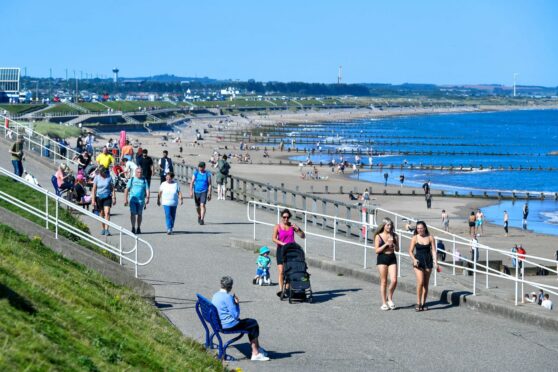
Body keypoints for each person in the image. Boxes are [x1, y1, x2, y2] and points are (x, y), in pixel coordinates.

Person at [211, 276, 270, 361]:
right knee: (253, 323)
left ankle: (257, 347)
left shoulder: (215, 295)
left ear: (221, 285)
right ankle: (255, 353)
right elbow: (235, 315)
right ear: (230, 287)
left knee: (249, 322)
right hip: (227, 325)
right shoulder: (228, 297)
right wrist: (237, 304)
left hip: (217, 323)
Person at [272, 209, 305, 297]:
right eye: (284, 217)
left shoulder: (292, 226)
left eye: (287, 217)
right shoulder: (277, 226)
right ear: (282, 217)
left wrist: (298, 229)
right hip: (281, 250)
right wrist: (282, 243)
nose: (286, 219)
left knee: (290, 271)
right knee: (281, 271)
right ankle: (281, 290)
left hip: (291, 250)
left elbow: (303, 236)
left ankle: (287, 289)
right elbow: (273, 238)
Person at [408, 221, 438, 311]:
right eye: (418, 228)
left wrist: (435, 262)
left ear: (425, 228)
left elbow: (433, 251)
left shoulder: (430, 238)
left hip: (428, 261)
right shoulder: (415, 238)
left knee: (426, 284)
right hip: (418, 262)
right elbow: (410, 251)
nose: (419, 230)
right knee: (420, 282)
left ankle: (423, 303)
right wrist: (414, 259)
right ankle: (418, 303)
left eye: (421, 228)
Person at [374, 218, 399, 310]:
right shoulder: (378, 236)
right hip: (382, 258)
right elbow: (376, 250)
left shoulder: (395, 236)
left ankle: (390, 298)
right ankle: (384, 302)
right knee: (384, 281)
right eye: (388, 225)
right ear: (384, 226)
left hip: (392, 257)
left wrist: (394, 244)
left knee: (394, 280)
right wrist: (386, 244)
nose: (389, 227)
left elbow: (397, 249)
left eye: (391, 225)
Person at [124, 167, 150, 234]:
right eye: (138, 172)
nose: (139, 174)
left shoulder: (144, 180)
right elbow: (126, 189)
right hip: (133, 200)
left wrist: (148, 197)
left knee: (139, 214)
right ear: (135, 173)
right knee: (133, 213)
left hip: (141, 200)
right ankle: (133, 227)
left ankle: (138, 227)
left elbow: (147, 189)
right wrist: (125, 199)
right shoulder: (132, 179)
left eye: (141, 172)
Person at [91, 167, 116, 236]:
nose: (103, 174)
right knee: (101, 213)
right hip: (99, 197)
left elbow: (112, 188)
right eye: (102, 172)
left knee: (107, 212)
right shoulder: (97, 178)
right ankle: (103, 228)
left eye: (104, 172)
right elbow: (94, 189)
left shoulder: (109, 177)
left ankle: (107, 229)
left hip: (107, 197)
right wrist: (93, 200)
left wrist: (114, 197)